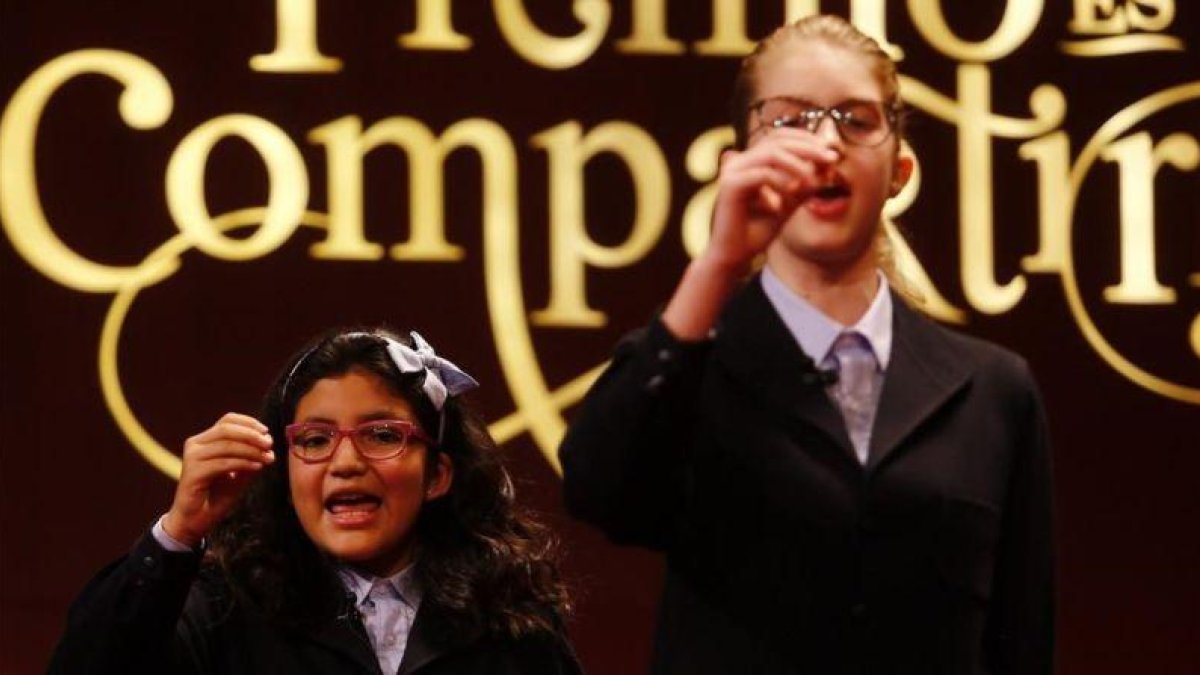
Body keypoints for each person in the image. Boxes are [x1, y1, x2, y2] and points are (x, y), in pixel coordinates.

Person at [558, 14, 1054, 675]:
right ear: (736, 165)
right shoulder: (689, 364)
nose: (825, 144)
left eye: (856, 119)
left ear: (900, 168)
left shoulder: (993, 389)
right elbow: (598, 488)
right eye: (790, 119)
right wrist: (718, 262)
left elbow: (1021, 641)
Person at [51, 329, 581, 674]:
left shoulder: (511, 624)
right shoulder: (223, 606)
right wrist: (178, 533)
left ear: (437, 474)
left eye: (380, 435)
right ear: (284, 470)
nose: (345, 462)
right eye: (314, 439)